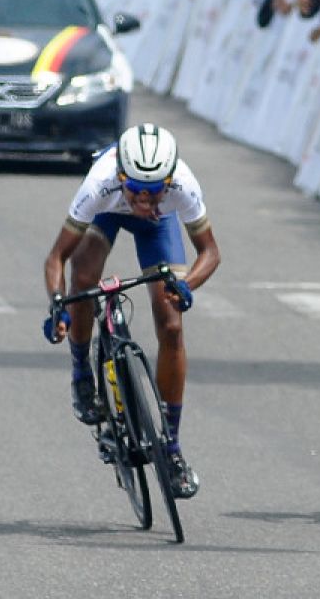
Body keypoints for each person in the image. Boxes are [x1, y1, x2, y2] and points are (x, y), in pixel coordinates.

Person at [42, 124, 222, 500]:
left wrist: (187, 285)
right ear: (120, 176)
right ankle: (81, 373)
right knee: (84, 276)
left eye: (155, 191)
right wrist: (58, 304)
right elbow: (57, 256)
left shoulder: (183, 186)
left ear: (168, 181)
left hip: (160, 229)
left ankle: (171, 448)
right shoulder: (99, 185)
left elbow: (210, 252)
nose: (144, 200)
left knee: (171, 325)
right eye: (136, 190)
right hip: (107, 215)